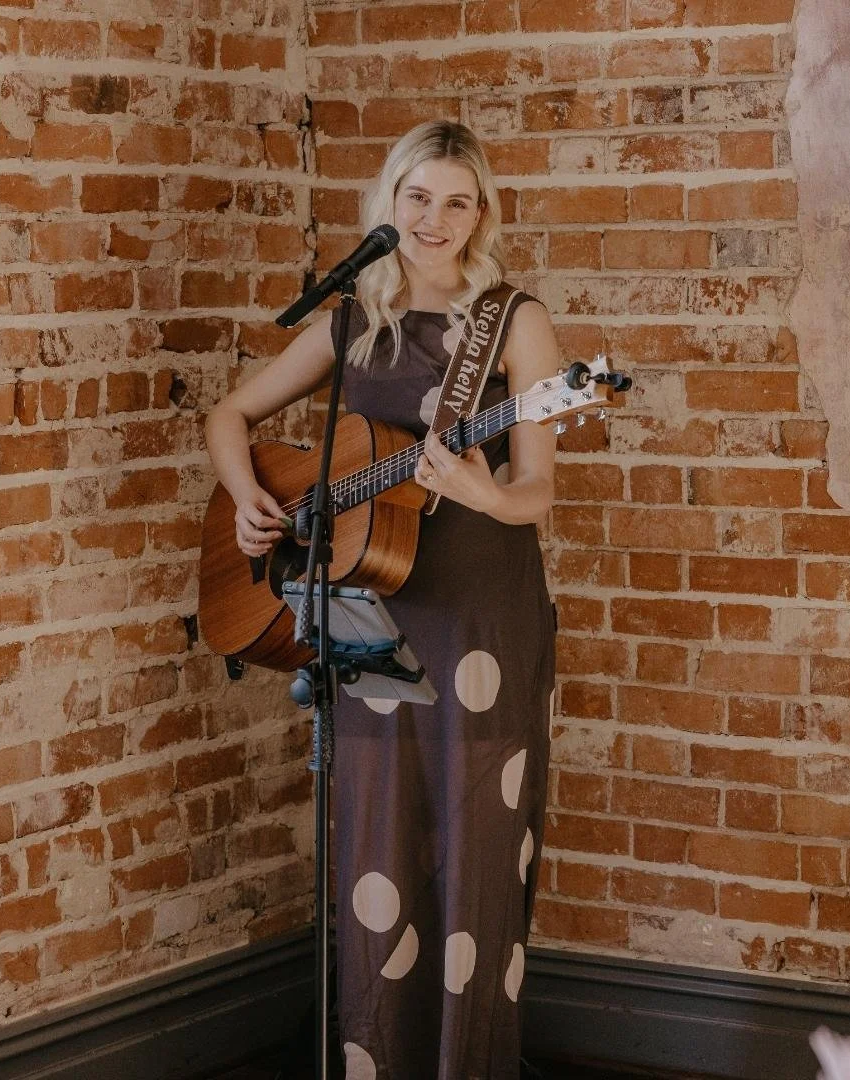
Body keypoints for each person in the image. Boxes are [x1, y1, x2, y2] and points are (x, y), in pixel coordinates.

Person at [205, 120, 560, 1079]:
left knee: (477, 850)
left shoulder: (513, 319)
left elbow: (535, 491)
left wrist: (482, 489)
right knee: (376, 845)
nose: (434, 218)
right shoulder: (352, 317)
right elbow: (231, 414)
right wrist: (248, 499)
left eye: (456, 200)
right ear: (388, 202)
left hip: (481, 617)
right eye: (417, 197)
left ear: (481, 212)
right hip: (371, 615)